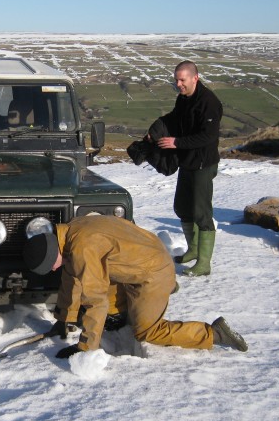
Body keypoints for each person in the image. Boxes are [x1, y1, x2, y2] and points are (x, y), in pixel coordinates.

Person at [23, 215, 247, 359]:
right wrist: (63, 320)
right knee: (98, 294)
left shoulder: (83, 249)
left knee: (148, 331)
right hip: (141, 259)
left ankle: (214, 333)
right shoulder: (71, 231)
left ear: (54, 252)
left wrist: (85, 348)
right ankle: (154, 296)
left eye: (51, 266)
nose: (53, 270)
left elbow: (95, 299)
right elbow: (71, 279)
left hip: (152, 274)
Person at [153, 60, 222, 277]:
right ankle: (192, 250)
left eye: (182, 80)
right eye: (176, 80)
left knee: (202, 213)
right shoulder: (183, 98)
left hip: (203, 162)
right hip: (187, 161)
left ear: (195, 78)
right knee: (182, 207)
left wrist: (177, 143)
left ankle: (204, 263)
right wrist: (157, 127)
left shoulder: (209, 102)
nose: (179, 84)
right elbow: (174, 117)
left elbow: (208, 136)